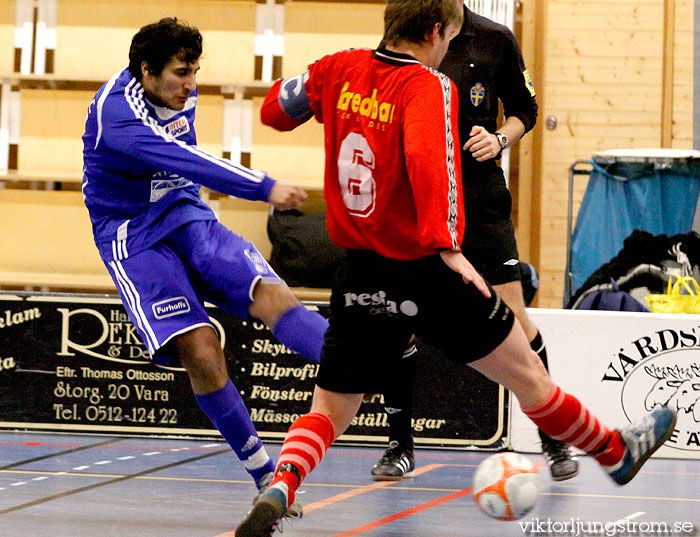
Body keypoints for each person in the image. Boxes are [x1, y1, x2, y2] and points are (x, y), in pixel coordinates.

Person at [235, 1, 676, 535]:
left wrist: (311, 86)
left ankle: (282, 485)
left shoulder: (339, 67)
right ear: (436, 30)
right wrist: (449, 248)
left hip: (358, 272)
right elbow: (431, 165)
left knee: (329, 409)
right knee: (528, 375)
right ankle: (613, 452)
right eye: (447, 40)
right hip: (424, 269)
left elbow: (275, 113)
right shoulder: (427, 84)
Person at [81, 18, 328, 509]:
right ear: (146, 72)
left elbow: (185, 161)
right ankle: (263, 474)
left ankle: (367, 361)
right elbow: (184, 157)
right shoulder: (118, 113)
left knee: (274, 297)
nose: (191, 85)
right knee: (201, 349)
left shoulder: (178, 91)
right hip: (133, 237)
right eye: (180, 73)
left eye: (195, 71)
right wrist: (265, 187)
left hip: (186, 213)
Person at [371, 3, 578, 483]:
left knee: (516, 317)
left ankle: (552, 436)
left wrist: (499, 139)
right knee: (402, 319)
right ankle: (399, 444)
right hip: (418, 197)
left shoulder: (495, 38)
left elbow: (526, 109)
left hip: (480, 200)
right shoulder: (409, 32)